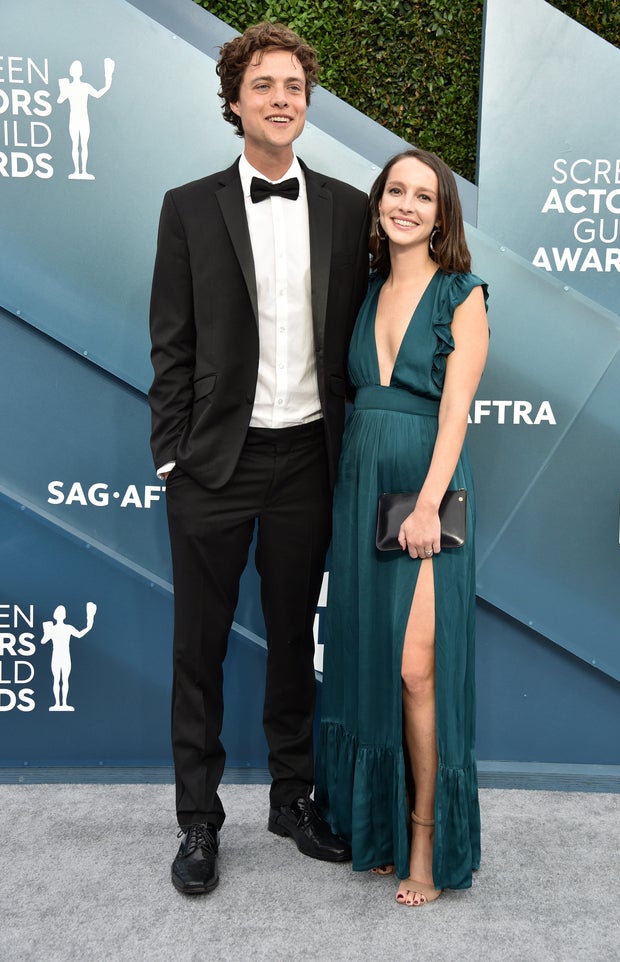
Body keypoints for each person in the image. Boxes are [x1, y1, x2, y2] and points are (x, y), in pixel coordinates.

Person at [148, 22, 369, 895]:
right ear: (234, 100)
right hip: (213, 465)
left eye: (296, 88)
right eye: (265, 85)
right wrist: (173, 455)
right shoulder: (187, 207)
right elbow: (171, 343)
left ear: (307, 105)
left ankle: (292, 797)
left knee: (291, 642)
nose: (283, 99)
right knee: (197, 649)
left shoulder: (349, 209)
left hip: (307, 461)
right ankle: (198, 821)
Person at [315, 149, 489, 906]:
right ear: (379, 203)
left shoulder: (463, 293)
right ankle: (380, 825)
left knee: (419, 667)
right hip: (361, 483)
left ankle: (423, 831)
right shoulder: (366, 290)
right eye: (396, 191)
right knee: (372, 660)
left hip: (427, 485)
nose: (407, 205)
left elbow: (456, 413)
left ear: (443, 213)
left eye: (424, 196)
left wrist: (428, 501)